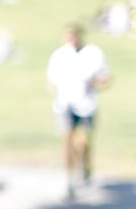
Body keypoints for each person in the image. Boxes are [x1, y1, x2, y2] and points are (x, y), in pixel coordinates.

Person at [46, 24, 110, 196]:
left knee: (82, 142)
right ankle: (70, 177)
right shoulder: (59, 55)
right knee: (67, 141)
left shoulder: (93, 54)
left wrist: (97, 84)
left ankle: (85, 169)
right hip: (65, 104)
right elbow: (51, 81)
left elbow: (105, 78)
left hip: (86, 104)